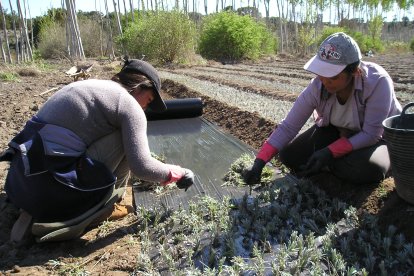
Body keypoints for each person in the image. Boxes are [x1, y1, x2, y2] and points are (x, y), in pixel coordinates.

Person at [1, 58, 195, 242]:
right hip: (52, 191)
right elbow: (141, 166)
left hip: (22, 182)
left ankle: (44, 206)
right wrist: (176, 172)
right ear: (139, 87)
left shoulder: (93, 88)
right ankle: (107, 204)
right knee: (125, 138)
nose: (146, 107)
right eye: (149, 99)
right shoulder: (128, 105)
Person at [245, 32, 402, 185]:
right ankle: (335, 163)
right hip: (340, 132)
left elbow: (371, 134)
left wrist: (330, 152)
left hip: (380, 139)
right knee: (289, 156)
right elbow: (288, 127)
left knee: (367, 168)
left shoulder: (377, 82)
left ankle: (354, 162)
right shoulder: (318, 86)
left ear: (354, 71)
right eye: (322, 73)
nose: (326, 81)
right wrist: (259, 162)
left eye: (333, 76)